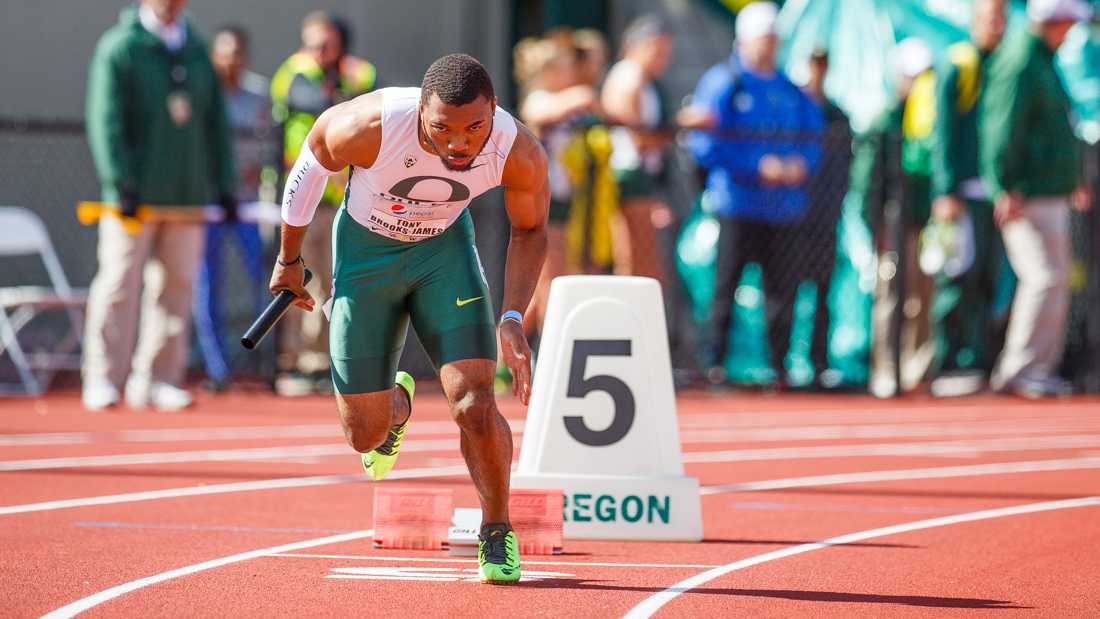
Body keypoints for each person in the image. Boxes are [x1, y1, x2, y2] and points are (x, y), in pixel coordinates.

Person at [269, 54, 548, 583]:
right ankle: (395, 407)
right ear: (420, 111)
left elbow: (532, 230)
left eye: (474, 129)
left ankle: (496, 530)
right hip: (366, 258)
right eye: (442, 127)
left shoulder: (518, 150)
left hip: (442, 258)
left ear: (494, 111)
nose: (459, 143)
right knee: (363, 435)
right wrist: (288, 261)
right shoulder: (370, 125)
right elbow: (309, 167)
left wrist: (513, 314)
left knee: (475, 400)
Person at [82, 0, 234, 411]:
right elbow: (105, 118)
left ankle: (158, 378)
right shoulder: (120, 47)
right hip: (133, 198)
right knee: (117, 283)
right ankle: (103, 377)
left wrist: (224, 184)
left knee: (177, 287)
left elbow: (215, 122)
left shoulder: (197, 49)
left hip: (186, 195)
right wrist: (121, 181)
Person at [684, 1, 823, 388]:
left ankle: (780, 368)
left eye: (774, 38)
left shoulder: (790, 89)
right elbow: (704, 143)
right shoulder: (723, 82)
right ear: (745, 40)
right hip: (737, 203)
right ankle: (714, 364)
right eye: (764, 38)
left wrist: (800, 165)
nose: (770, 45)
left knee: (782, 292)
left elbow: (814, 138)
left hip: (783, 210)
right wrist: (756, 166)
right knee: (725, 287)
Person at [981, 0, 1093, 398]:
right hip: (1026, 195)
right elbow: (1000, 124)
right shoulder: (1021, 61)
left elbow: (1056, 128)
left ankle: (1039, 368)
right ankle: (1019, 368)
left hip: (1051, 193)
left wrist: (1072, 178)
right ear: (1055, 21)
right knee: (1042, 277)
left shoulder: (1044, 61)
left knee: (1057, 279)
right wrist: (1003, 185)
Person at [271, 11, 378, 395]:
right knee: (296, 274)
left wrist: (345, 87)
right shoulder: (296, 70)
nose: (319, 49)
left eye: (327, 41)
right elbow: (310, 101)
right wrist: (339, 93)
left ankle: (319, 362)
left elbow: (370, 103)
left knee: (330, 281)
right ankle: (289, 361)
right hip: (300, 195)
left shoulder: (359, 73)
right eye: (313, 41)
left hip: (340, 198)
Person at [926, 0, 1009, 397]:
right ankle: (947, 361)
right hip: (960, 196)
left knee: (986, 280)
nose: (996, 24)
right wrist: (946, 189)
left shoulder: (1006, 65)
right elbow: (942, 132)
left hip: (993, 196)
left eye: (1001, 17)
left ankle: (976, 360)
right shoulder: (959, 64)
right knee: (956, 277)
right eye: (989, 17)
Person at [850, 37, 936, 398]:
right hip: (892, 223)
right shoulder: (885, 121)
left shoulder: (934, 120)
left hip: (923, 221)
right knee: (889, 298)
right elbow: (867, 181)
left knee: (922, 298)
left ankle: (916, 369)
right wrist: (875, 227)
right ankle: (885, 368)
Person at [193, 25, 271, 391]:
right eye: (224, 53)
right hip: (209, 204)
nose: (231, 60)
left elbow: (269, 144)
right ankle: (216, 368)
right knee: (208, 283)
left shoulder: (259, 95)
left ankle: (263, 360)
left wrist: (253, 173)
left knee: (265, 275)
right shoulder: (203, 95)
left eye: (238, 53)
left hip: (247, 203)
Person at [514, 36, 599, 336]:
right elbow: (570, 101)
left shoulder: (559, 96)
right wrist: (582, 92)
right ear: (547, 71)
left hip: (563, 200)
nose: (569, 74)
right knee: (552, 278)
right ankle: (551, 346)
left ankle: (501, 358)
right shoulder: (538, 97)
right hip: (541, 201)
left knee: (544, 284)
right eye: (562, 68)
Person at [600, 14, 674, 283]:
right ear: (638, 45)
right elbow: (635, 137)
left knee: (645, 260)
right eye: (658, 50)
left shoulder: (645, 81)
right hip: (629, 174)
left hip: (640, 175)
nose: (662, 58)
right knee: (635, 259)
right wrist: (673, 133)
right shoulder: (628, 78)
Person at [799, 47, 852, 390]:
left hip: (824, 217)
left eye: (823, 62)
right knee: (785, 293)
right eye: (813, 61)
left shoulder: (837, 115)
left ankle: (818, 362)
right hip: (789, 218)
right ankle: (780, 362)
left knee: (822, 292)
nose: (818, 69)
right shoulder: (793, 106)